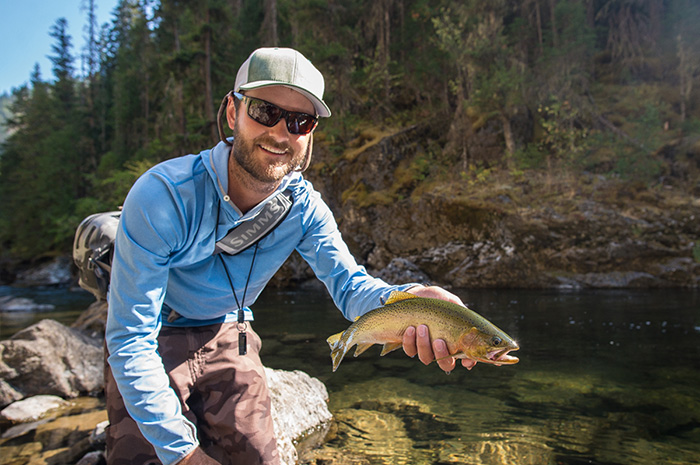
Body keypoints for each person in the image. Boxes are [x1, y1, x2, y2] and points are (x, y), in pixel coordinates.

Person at [104, 47, 476, 465]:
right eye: (265, 111)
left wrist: (414, 300)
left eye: (301, 121)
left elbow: (352, 291)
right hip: (155, 331)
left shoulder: (304, 210)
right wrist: (185, 456)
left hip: (229, 332)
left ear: (311, 133)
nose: (281, 134)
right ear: (232, 112)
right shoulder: (163, 197)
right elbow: (130, 339)